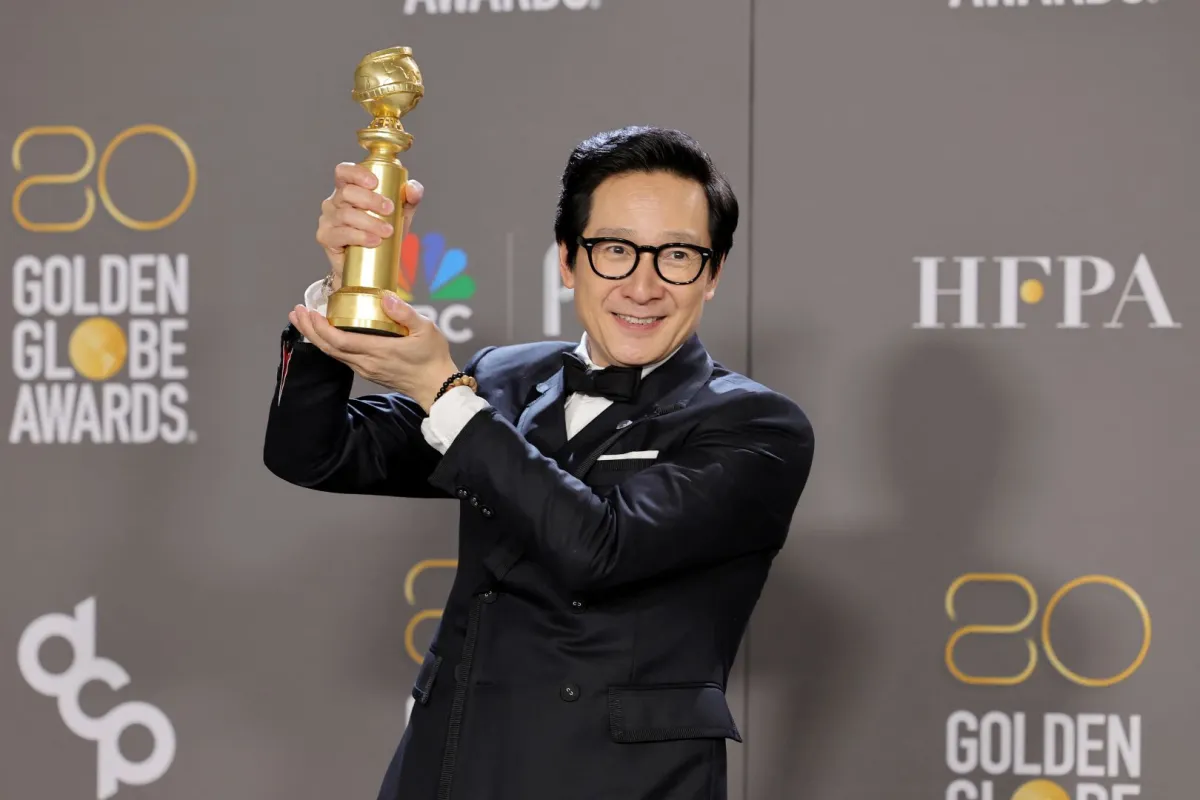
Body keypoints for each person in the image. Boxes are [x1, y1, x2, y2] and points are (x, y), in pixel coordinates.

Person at [263, 126, 815, 800]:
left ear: (713, 274)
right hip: (450, 769)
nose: (643, 286)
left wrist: (445, 393)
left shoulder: (757, 426)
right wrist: (346, 280)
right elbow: (314, 454)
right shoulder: (505, 377)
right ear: (566, 259)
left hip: (620, 783)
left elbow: (601, 549)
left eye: (676, 255)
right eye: (615, 250)